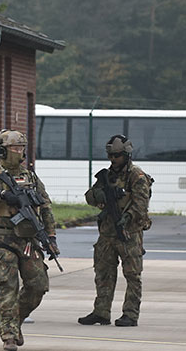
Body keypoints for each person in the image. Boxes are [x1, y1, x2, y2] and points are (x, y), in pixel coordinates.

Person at [0, 130, 57, 351]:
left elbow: (45, 206)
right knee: (8, 288)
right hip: (2, 239)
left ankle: (15, 322)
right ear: (2, 150)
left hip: (28, 240)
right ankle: (8, 336)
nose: (18, 152)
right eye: (14, 148)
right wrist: (0, 196)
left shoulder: (30, 177)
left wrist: (51, 236)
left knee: (38, 286)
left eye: (21, 148)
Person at [78, 134, 151, 327]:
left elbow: (141, 204)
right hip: (107, 234)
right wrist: (98, 195)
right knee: (103, 273)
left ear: (126, 154)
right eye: (110, 156)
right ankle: (101, 311)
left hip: (129, 234)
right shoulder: (106, 176)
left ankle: (130, 314)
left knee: (132, 275)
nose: (113, 160)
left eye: (117, 156)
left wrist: (127, 217)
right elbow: (89, 197)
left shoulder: (137, 176)